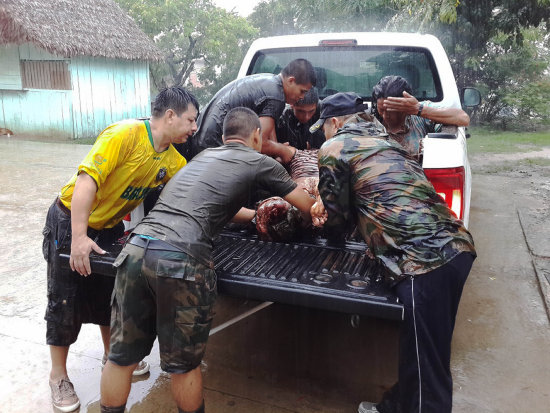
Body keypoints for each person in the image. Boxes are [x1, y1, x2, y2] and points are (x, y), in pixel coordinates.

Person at [100, 107, 315, 413]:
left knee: (120, 358)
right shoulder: (258, 159)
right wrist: (317, 218)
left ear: (225, 136)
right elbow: (303, 204)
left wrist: (255, 217)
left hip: (137, 247)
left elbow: (215, 204)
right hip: (180, 256)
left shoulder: (202, 158)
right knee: (183, 365)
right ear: (256, 136)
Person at [310, 92, 476, 413]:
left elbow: (337, 221)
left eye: (324, 128)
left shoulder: (333, 147)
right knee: (425, 351)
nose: (324, 135)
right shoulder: (388, 143)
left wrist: (320, 215)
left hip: (423, 260)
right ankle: (395, 407)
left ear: (333, 123)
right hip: (455, 247)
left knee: (428, 372)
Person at [42, 87, 199, 412]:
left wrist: (253, 213)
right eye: (190, 120)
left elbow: (195, 196)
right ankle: (58, 377)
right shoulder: (125, 134)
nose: (194, 128)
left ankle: (111, 356)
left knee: (108, 296)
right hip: (71, 220)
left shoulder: (173, 159)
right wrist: (80, 237)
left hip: (108, 227)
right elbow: (87, 182)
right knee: (64, 299)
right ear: (170, 115)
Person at [177, 58, 317, 163]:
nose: (301, 97)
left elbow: (268, 132)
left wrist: (276, 148)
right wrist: (283, 151)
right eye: (302, 91)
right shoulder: (276, 96)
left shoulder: (269, 82)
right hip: (215, 147)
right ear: (291, 80)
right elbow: (258, 142)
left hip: (202, 143)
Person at [372, 75, 470, 162]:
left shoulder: (418, 112)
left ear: (405, 107)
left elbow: (463, 118)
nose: (385, 116)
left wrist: (418, 109)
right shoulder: (370, 122)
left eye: (391, 111)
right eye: (381, 110)